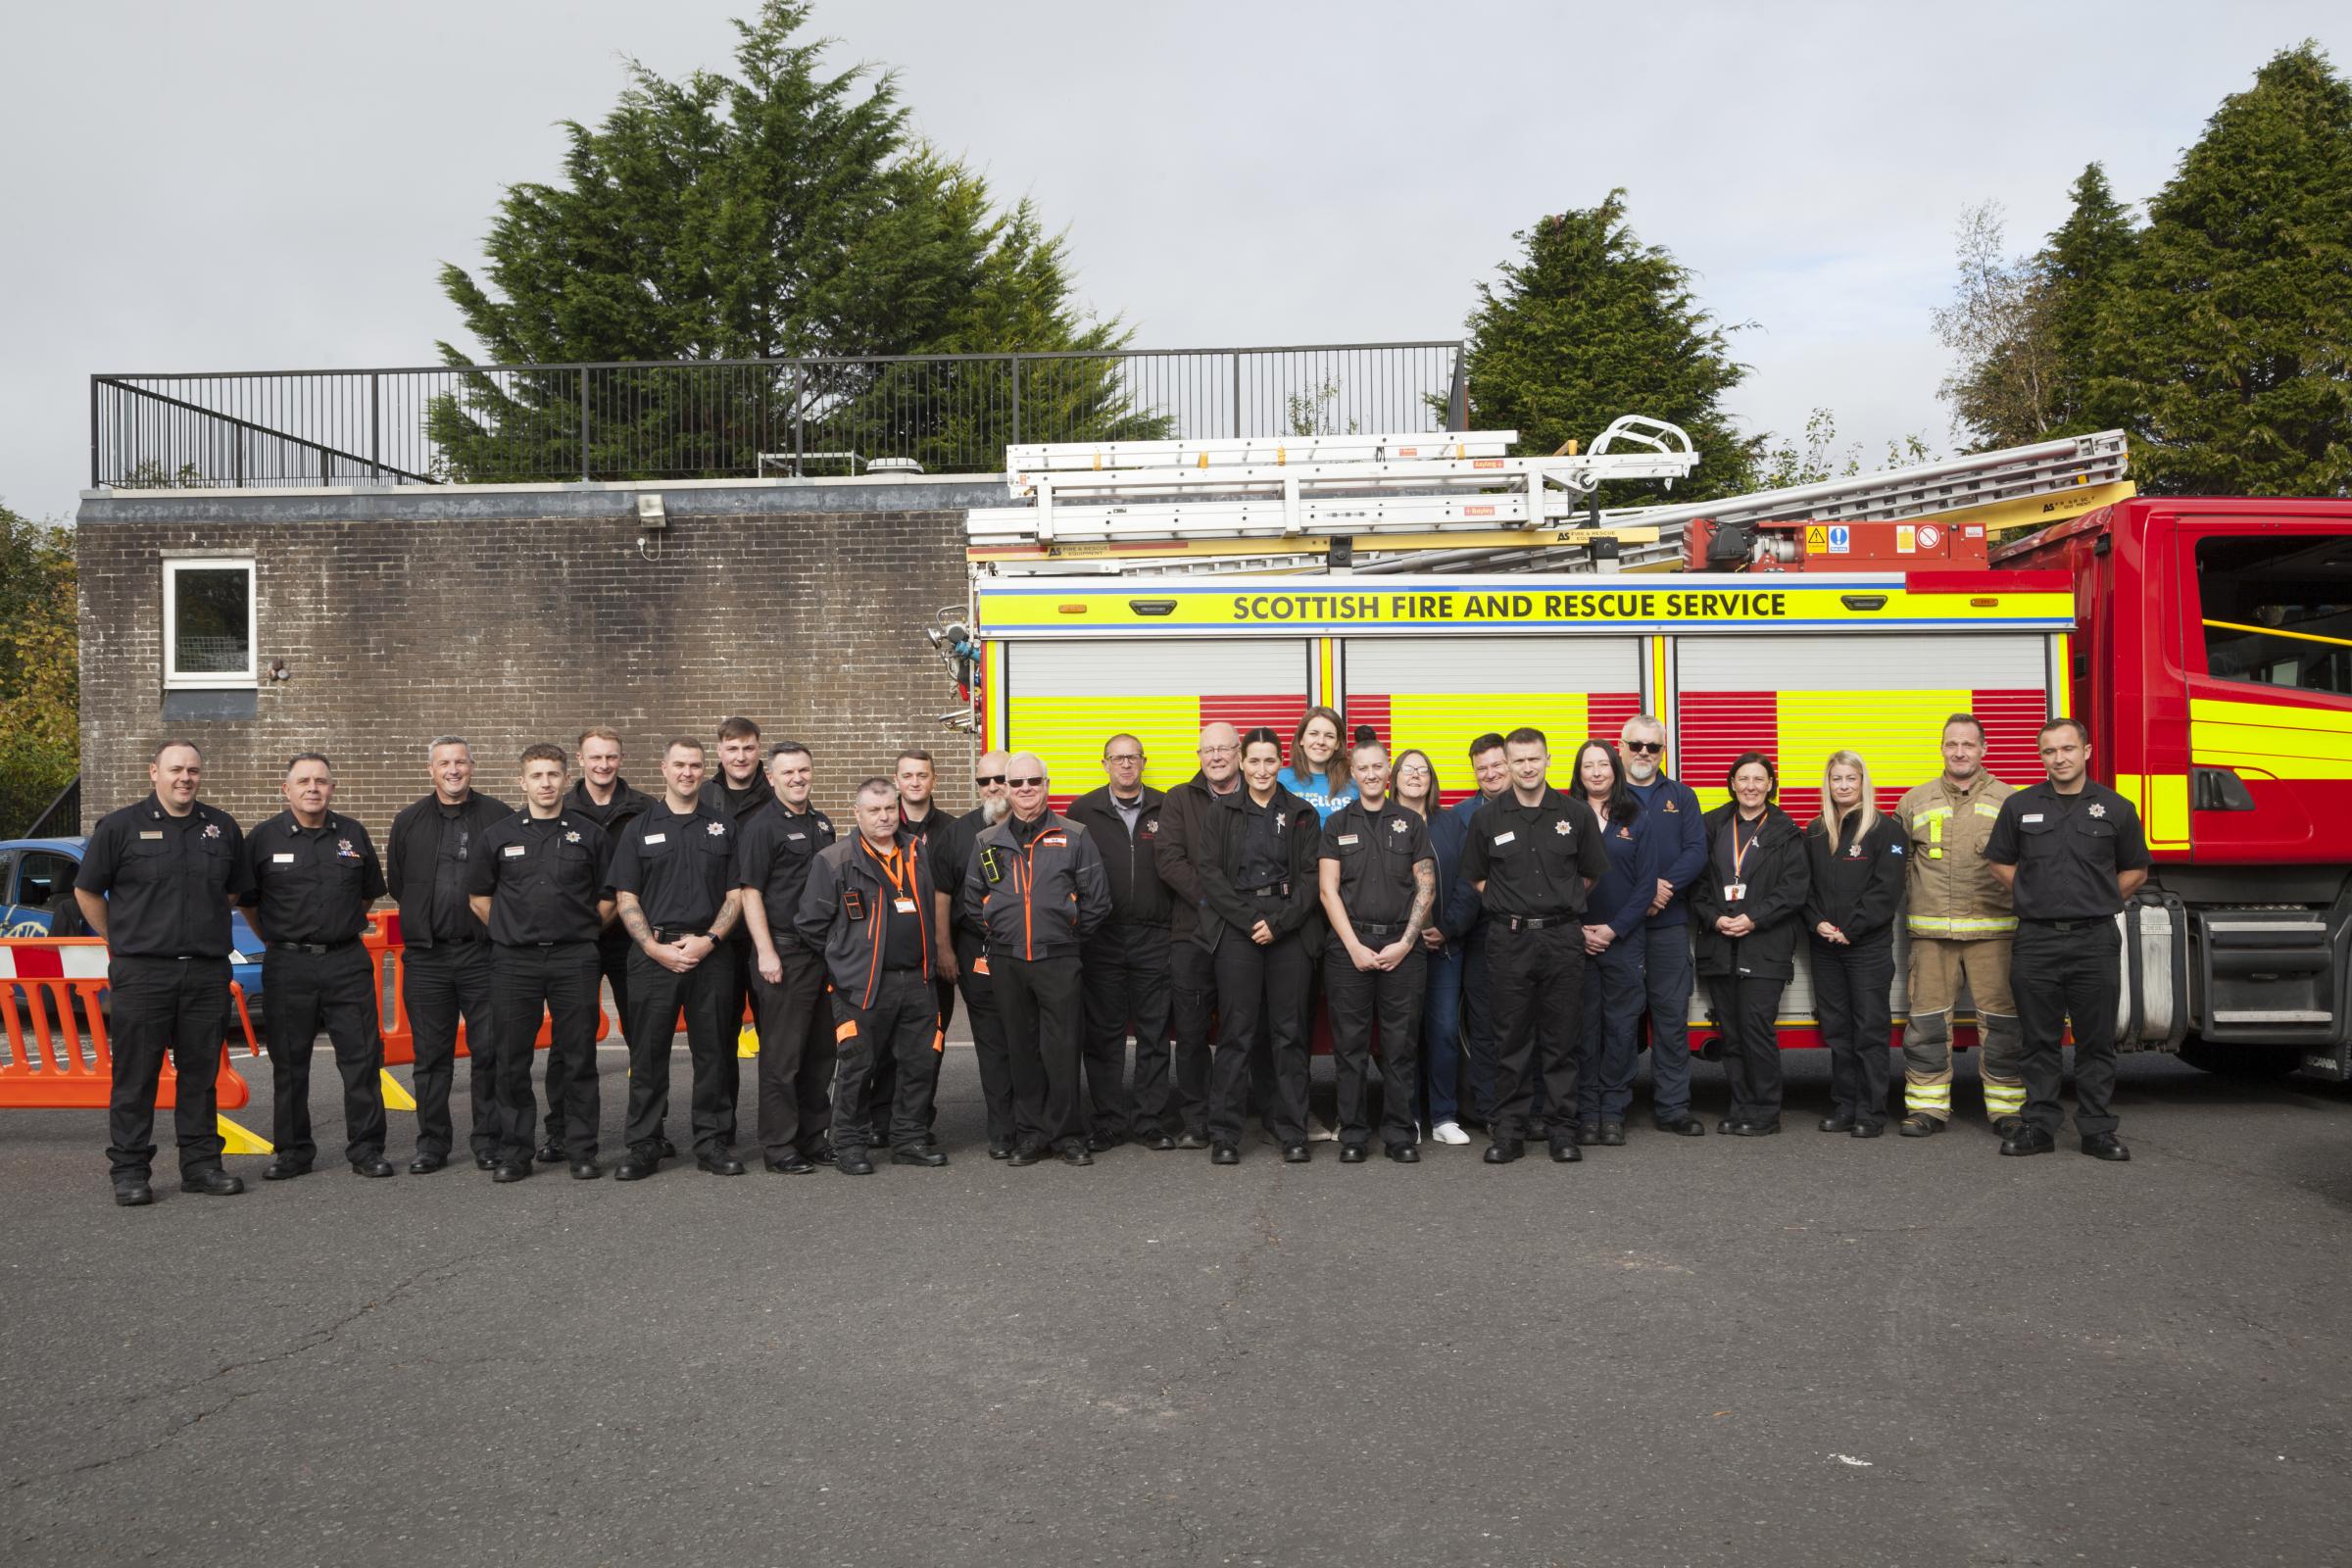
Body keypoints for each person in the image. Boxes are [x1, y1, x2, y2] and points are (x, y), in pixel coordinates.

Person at [74, 742, 254, 1205]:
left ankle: (201, 1166)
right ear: (154, 772)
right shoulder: (119, 827)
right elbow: (87, 891)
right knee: (137, 1076)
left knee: (200, 1075)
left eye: (193, 770)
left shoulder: (222, 828)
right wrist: (122, 938)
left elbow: (232, 893)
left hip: (204, 972)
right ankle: (130, 1171)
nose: (185, 778)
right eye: (175, 769)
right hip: (142, 972)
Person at [1984, 717, 2151, 1161]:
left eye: (2067, 749)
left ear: (2087, 752)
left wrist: (2099, 898)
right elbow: (1998, 861)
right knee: (2038, 1039)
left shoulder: (2116, 808)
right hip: (2036, 939)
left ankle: (2097, 1129)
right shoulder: (2019, 807)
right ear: (2042, 757)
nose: (2059, 758)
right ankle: (2039, 1125)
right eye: (2049, 751)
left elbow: (2136, 868)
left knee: (2095, 1040)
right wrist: (2032, 894)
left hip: (2094, 939)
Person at [238, 752, 391, 1182]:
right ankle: (293, 1152)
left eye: (321, 781)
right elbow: (249, 903)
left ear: (332, 788)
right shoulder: (264, 839)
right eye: (303, 781)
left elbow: (366, 895)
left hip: (346, 961)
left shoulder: (353, 834)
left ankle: (366, 1149)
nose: (312, 788)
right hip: (288, 964)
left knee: (361, 1060)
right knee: (290, 1064)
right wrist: (277, 937)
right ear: (286, 789)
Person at [1459, 726, 1610, 1164]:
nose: (1526, 767)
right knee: (1510, 1038)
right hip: (1508, 939)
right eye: (1518, 760)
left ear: (1548, 760)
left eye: (1534, 759)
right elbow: (1475, 875)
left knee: (1562, 1038)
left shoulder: (1576, 814)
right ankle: (1509, 1132)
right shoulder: (1488, 818)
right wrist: (1513, 906)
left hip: (1562, 938)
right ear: (1507, 764)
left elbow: (1591, 873)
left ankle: (1563, 1130)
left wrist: (1557, 906)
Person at [466, 744, 614, 1182]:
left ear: (567, 779)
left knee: (579, 1058)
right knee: (511, 1059)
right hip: (515, 962)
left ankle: (581, 1149)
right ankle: (515, 1152)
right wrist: (513, 929)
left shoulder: (590, 835)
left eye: (553, 774)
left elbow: (609, 898)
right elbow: (479, 898)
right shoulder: (498, 835)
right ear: (522, 781)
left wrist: (584, 930)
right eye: (537, 775)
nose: (546, 783)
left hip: (575, 958)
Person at [607, 738, 745, 1181]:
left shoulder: (723, 827)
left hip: (712, 955)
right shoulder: (638, 828)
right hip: (653, 955)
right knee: (647, 1055)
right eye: (679, 765)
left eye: (695, 766)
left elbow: (736, 893)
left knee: (714, 1053)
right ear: (663, 769)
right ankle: (644, 1143)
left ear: (705, 771)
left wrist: (709, 940)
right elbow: (626, 895)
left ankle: (712, 1142)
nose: (687, 773)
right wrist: (651, 946)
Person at [797, 777, 950, 1175]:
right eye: (874, 810)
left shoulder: (917, 851)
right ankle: (848, 1143)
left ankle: (909, 1138)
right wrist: (846, 961)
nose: (884, 817)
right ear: (857, 813)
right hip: (861, 986)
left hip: (917, 981)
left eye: (889, 809)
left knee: (919, 1064)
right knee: (856, 1067)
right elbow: (811, 925)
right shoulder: (835, 859)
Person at [965, 755, 1112, 1166]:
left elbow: (1098, 901)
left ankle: (1067, 1135)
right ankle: (1031, 1134)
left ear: (1047, 785)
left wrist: (1066, 937)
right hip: (1009, 962)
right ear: (1006, 790)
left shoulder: (1075, 835)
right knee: (1021, 1050)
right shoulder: (987, 841)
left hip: (1059, 960)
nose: (1026, 789)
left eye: (1034, 781)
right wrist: (1003, 933)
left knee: (1063, 1050)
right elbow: (973, 903)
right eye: (1017, 783)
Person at [1893, 714, 2025, 1137]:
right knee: (1927, 1024)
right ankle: (1928, 1109)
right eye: (1952, 744)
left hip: (1994, 933)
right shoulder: (1914, 801)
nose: (1960, 752)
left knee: (2003, 1026)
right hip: (1931, 936)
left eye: (1968, 744)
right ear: (1942, 749)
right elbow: (1898, 869)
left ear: (1984, 749)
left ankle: (2008, 1111)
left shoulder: (2012, 801)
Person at [1197, 727, 1323, 1163]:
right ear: (1241, 763)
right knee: (1237, 1033)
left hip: (1289, 930)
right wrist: (1252, 920)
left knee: (1290, 1034)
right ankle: (1226, 1136)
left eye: (1270, 761)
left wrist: (1280, 923)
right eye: (1254, 761)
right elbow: (1210, 874)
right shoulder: (1221, 813)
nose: (1262, 769)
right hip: (1238, 930)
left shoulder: (1303, 812)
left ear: (1280, 764)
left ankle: (1292, 1132)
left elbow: (1311, 880)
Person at [385, 737, 511, 1174]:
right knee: (431, 1058)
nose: (453, 770)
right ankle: (432, 1144)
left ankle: (489, 1141)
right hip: (427, 958)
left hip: (484, 955)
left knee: (489, 1051)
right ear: (430, 770)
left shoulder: (499, 817)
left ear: (472, 767)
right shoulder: (408, 821)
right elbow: (399, 883)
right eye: (444, 763)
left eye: (460, 762)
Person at [1317, 733, 1437, 1163]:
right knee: (1349, 1047)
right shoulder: (1337, 824)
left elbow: (1426, 885)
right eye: (1362, 768)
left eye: (1377, 767)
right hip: (1350, 949)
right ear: (1352, 773)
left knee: (1400, 1045)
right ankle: (1352, 1134)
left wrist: (1406, 943)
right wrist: (1353, 946)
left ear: (1389, 773)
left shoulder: (1411, 823)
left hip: (1402, 947)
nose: (1370, 774)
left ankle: (1400, 1134)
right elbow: (1328, 891)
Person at [1065, 735, 1176, 1152]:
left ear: (1144, 762)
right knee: (1104, 1035)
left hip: (1155, 936)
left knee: (1154, 1033)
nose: (1126, 765)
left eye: (1132, 758)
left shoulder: (1168, 806)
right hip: (1102, 937)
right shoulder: (1083, 810)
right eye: (1118, 758)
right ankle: (1108, 1121)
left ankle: (1150, 1120)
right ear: (1104, 764)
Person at [1690, 754, 1810, 1137]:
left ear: (1771, 784)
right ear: (1732, 783)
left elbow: (1793, 889)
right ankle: (1740, 1107)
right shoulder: (1712, 826)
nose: (1751, 786)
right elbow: (1697, 886)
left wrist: (1753, 917)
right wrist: (1714, 918)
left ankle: (1765, 1113)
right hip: (1720, 945)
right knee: (1732, 1033)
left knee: (1757, 1031)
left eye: (1759, 779)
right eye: (1743, 779)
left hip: (1765, 946)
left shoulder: (1786, 830)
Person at [556, 727, 660, 1162]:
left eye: (611, 757)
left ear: (622, 759)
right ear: (580, 760)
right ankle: (560, 1133)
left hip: (629, 941)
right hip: (573, 942)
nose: (603, 765)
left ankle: (649, 1133)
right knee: (570, 1042)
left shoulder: (645, 810)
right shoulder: (560, 806)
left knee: (644, 1037)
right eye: (595, 757)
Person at [735, 742, 839, 1173]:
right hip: (784, 953)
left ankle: (813, 1138)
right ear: (771, 778)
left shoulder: (823, 823)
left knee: (820, 1053)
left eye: (803, 770)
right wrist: (765, 953)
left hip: (823, 954)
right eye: (788, 772)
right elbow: (750, 892)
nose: (798, 778)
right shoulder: (762, 827)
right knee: (783, 1056)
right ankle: (779, 1147)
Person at [1802, 751, 1907, 1139]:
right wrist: (1818, 924)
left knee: (1869, 1030)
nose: (1843, 786)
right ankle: (1846, 1105)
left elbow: (1887, 890)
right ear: (1827, 785)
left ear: (1864, 782)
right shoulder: (1815, 831)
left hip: (1866, 948)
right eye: (1836, 779)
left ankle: (1872, 1111)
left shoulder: (1886, 830)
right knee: (1838, 1030)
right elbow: (1805, 888)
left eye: (1851, 778)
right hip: (1825, 947)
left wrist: (1852, 929)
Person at [1617, 713, 1709, 1137]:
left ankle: (1673, 1108)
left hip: (1668, 923)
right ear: (1621, 747)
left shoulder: (1682, 796)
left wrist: (1662, 888)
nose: (1643, 754)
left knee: (1672, 1019)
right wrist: (1640, 892)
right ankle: (1613, 1107)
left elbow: (1696, 850)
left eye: (1652, 747)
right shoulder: (1605, 796)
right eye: (1636, 745)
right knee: (1617, 1019)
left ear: (1663, 752)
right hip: (1621, 928)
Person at [1153, 724, 1243, 1150]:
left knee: (1240, 1031)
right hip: (1192, 934)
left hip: (1244, 937)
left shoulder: (1257, 796)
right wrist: (1218, 901)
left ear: (1239, 752)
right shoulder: (1179, 799)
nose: (1217, 756)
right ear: (1199, 756)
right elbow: (1169, 860)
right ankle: (1196, 1119)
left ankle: (1232, 1116)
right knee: (1190, 1034)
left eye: (1224, 748)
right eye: (1209, 750)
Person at [1571, 739, 1658, 1149]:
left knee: (1622, 1029)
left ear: (1614, 768)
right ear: (1578, 772)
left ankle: (1613, 1111)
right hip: (1576, 940)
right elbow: (1553, 879)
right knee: (1583, 1029)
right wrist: (1578, 929)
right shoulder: (1565, 816)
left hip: (1623, 941)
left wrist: (1613, 929)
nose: (1596, 772)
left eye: (1602, 764)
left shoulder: (1636, 816)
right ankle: (1587, 1112)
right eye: (1588, 765)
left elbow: (1646, 886)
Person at [931, 752, 1019, 1156]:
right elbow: (942, 894)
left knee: (1031, 1036)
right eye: (985, 781)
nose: (994, 787)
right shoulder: (957, 832)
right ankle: (1002, 1131)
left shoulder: (1035, 827)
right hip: (975, 946)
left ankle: (1037, 1121)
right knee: (991, 1039)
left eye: (1001, 778)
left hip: (1029, 948)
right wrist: (945, 948)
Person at [698, 716, 775, 1134]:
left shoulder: (777, 791)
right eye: (732, 749)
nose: (740, 757)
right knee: (718, 1040)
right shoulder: (703, 795)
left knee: (776, 1040)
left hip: (771, 937)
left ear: (758, 749)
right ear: (720, 752)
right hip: (720, 938)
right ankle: (719, 1134)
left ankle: (779, 1130)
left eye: (747, 748)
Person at [1394, 748, 1472, 1145]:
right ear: (1395, 777)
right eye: (1408, 769)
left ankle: (1443, 1116)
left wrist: (1448, 927)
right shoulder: (1384, 822)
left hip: (1444, 947)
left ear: (1431, 779)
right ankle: (1408, 1117)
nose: (1416, 775)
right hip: (1397, 950)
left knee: (1442, 1031)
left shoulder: (1451, 823)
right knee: (1403, 1035)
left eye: (1423, 769)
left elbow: (1469, 880)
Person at [881, 747, 953, 1132]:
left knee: (929, 1046)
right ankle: (881, 1121)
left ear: (933, 780)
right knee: (884, 1049)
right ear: (896, 781)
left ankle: (919, 1120)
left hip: (936, 958)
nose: (914, 782)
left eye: (921, 775)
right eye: (906, 775)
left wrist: (947, 950)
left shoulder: (952, 830)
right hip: (890, 960)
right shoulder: (883, 825)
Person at [1448, 732, 1511, 1130]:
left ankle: (1531, 1109)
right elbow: (1459, 879)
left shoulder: (1546, 808)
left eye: (1496, 765)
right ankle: (1491, 1111)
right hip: (1479, 935)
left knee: (1530, 1028)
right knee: (1485, 1029)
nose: (1490, 773)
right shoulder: (1460, 817)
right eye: (1481, 768)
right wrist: (1450, 927)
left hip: (1528, 935)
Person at [1277, 706, 1358, 821]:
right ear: (1301, 739)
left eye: (1329, 736)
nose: (1321, 742)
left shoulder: (1354, 781)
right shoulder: (1280, 780)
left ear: (1337, 744)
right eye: (1313, 734)